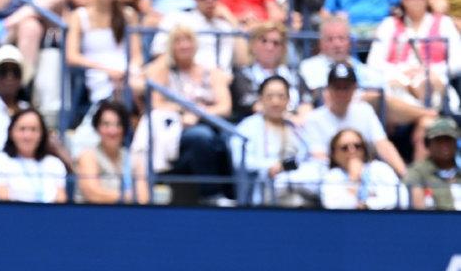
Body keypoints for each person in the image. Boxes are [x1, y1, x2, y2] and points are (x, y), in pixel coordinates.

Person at [138, 22, 233, 201]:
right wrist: (182, 111)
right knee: (201, 136)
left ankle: (235, 195)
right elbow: (156, 103)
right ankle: (211, 195)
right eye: (178, 41)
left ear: (195, 44)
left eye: (188, 40)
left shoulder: (211, 72)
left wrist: (198, 113)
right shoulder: (165, 72)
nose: (184, 45)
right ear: (170, 47)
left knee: (227, 141)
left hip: (210, 122)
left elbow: (225, 107)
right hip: (178, 128)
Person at [368, 0, 461, 114]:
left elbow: (457, 61)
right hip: (398, 87)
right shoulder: (388, 25)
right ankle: (425, 115)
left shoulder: (445, 23)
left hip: (435, 85)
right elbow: (373, 63)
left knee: (430, 85)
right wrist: (400, 73)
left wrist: (429, 71)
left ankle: (427, 115)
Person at [302, 61, 407, 173]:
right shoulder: (314, 118)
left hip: (365, 171)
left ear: (354, 88)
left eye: (346, 87)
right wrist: (351, 169)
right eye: (337, 87)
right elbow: (319, 156)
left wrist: (405, 175)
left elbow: (383, 145)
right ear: (328, 89)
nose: (342, 93)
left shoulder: (365, 110)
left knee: (382, 171)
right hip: (331, 174)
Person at [230, 74, 310, 202]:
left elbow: (306, 158)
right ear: (260, 99)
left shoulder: (296, 128)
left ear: (288, 100)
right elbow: (240, 161)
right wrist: (273, 166)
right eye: (270, 96)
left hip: (299, 186)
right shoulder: (247, 127)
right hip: (264, 189)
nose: (275, 102)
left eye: (281, 96)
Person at [67, 0, 141, 106]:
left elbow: (137, 55)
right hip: (98, 76)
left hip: (128, 74)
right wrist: (106, 70)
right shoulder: (79, 16)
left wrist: (131, 70)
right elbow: (72, 56)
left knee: (139, 85)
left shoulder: (129, 15)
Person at [75, 98, 151, 202]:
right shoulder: (88, 155)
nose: (112, 131)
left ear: (124, 129)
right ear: (97, 128)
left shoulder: (132, 159)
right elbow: (92, 193)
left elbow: (144, 197)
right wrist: (127, 197)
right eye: (106, 124)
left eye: (118, 124)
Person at [0, 105, 68, 201]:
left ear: (42, 134)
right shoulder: (0, 161)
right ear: (11, 132)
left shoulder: (54, 163)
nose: (27, 136)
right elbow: (3, 200)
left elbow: (60, 201)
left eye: (33, 129)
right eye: (22, 129)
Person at [230, 20, 304, 121]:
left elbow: (306, 104)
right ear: (253, 45)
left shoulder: (294, 75)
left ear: (283, 49)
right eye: (264, 41)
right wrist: (289, 119)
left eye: (276, 43)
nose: (269, 47)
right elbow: (255, 106)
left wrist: (301, 120)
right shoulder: (242, 74)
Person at [319, 126, 406, 206]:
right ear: (334, 154)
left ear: (364, 149)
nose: (352, 151)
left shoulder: (380, 168)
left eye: (357, 146)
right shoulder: (331, 176)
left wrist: (368, 205)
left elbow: (401, 198)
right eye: (345, 148)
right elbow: (333, 206)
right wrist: (353, 179)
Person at [404, 113, 460, 206]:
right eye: (438, 140)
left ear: (455, 142)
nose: (444, 145)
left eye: (448, 139)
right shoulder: (417, 172)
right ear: (428, 144)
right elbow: (417, 210)